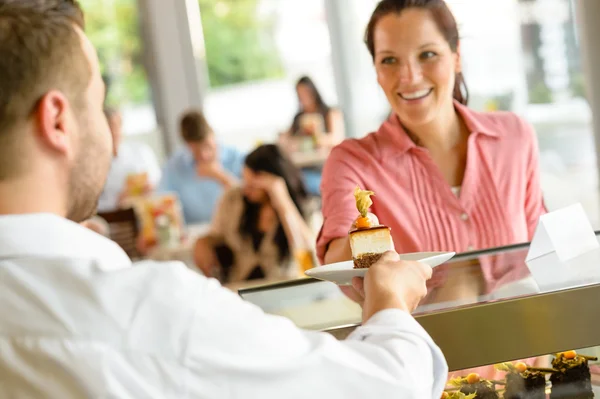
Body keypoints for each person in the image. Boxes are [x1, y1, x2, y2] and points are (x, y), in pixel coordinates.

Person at [0, 1, 447, 398]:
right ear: (57, 120)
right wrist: (389, 301)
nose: (110, 132)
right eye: (98, 104)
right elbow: (384, 387)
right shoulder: (147, 313)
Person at [318, 0, 546, 302]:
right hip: (425, 348)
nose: (409, 77)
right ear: (375, 70)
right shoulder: (352, 162)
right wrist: (363, 237)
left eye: (427, 54)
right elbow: (337, 263)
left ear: (456, 57)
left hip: (529, 345)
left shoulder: (514, 137)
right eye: (389, 60)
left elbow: (540, 257)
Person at [194, 144, 313, 283]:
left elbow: (309, 258)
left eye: (252, 185)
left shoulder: (305, 208)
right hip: (241, 286)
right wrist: (202, 243)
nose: (246, 190)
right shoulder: (235, 200)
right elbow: (215, 236)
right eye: (245, 182)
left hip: (285, 286)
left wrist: (282, 202)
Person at [157, 109, 245, 224]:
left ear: (213, 134)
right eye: (196, 150)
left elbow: (249, 201)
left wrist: (220, 176)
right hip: (195, 233)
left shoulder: (237, 158)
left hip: (234, 228)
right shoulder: (173, 167)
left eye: (207, 146)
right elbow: (163, 203)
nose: (204, 155)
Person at [279, 76, 345, 195]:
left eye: (305, 92)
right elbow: (286, 139)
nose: (303, 97)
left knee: (302, 183)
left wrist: (316, 136)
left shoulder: (330, 112)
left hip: (325, 167)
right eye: (299, 94)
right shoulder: (298, 118)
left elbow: (337, 139)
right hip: (303, 167)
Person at [96, 106, 162, 212]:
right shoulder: (96, 165)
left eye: (118, 125)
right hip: (117, 218)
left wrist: (150, 187)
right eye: (111, 126)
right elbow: (95, 206)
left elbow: (158, 181)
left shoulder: (141, 151)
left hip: (148, 212)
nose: (116, 131)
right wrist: (117, 201)